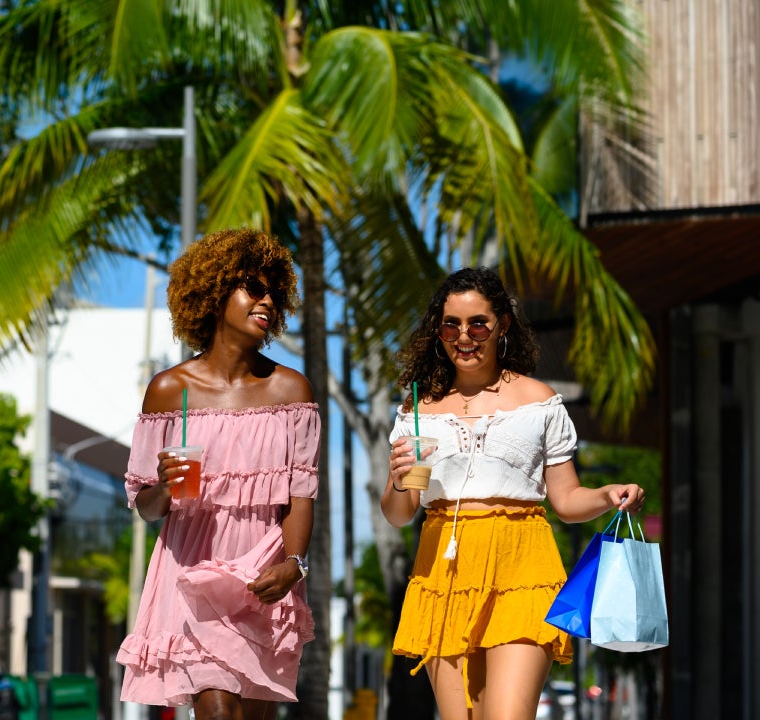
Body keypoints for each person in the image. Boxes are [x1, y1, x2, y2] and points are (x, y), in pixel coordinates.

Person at [380, 267, 645, 720]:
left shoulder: (538, 401)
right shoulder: (417, 410)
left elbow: (565, 500)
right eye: (451, 325)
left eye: (478, 323)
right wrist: (400, 477)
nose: (464, 336)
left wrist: (605, 495)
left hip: (523, 566)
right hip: (444, 573)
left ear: (502, 324)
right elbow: (399, 513)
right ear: (438, 331)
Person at [116, 228, 321, 720]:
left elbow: (299, 496)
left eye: (274, 289)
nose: (266, 299)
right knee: (215, 709)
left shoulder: (291, 390)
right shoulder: (168, 390)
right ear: (214, 293)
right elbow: (144, 506)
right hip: (190, 568)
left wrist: (295, 565)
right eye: (253, 286)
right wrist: (163, 488)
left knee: (251, 714)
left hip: (262, 570)